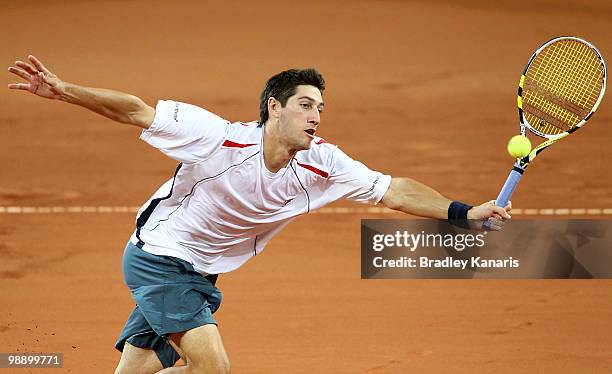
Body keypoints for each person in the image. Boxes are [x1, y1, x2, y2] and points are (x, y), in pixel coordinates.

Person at [8, 55, 511, 374]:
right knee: (214, 370)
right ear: (274, 106)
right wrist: (65, 90)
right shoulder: (217, 135)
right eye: (305, 105)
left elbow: (392, 191)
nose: (316, 115)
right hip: (160, 260)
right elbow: (137, 110)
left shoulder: (325, 162)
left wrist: (462, 212)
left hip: (199, 271)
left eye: (321, 108)